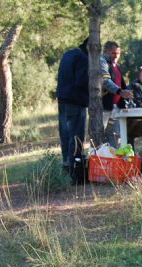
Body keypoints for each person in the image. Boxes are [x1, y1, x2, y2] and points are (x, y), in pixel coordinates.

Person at [56, 38, 89, 173]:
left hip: (62, 100)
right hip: (76, 102)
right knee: (76, 136)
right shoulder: (83, 58)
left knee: (65, 134)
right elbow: (81, 82)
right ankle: (74, 167)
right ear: (89, 47)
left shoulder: (67, 54)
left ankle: (65, 163)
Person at [100, 41, 133, 147]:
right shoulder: (102, 62)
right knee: (98, 135)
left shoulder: (116, 66)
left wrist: (127, 95)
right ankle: (96, 161)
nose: (116, 56)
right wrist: (120, 91)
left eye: (118, 53)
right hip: (103, 107)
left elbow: (122, 84)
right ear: (106, 51)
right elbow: (105, 81)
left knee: (114, 136)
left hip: (116, 107)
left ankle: (113, 161)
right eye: (113, 53)